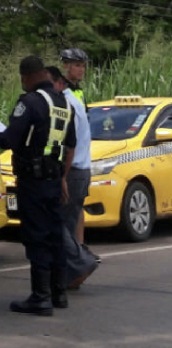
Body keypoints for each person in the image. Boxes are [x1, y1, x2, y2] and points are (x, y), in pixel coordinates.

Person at [0, 55, 76, 316]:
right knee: (55, 234)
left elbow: (9, 139)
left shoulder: (30, 102)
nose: (22, 83)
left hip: (32, 181)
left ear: (30, 76)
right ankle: (58, 294)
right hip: (54, 179)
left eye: (22, 78)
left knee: (36, 236)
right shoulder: (64, 104)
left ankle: (40, 298)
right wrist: (63, 178)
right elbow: (70, 145)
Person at [46, 66, 98, 290]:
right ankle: (69, 276)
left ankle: (81, 264)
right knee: (66, 223)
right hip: (79, 171)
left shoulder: (67, 105)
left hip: (73, 171)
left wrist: (62, 177)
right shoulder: (70, 103)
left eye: (48, 85)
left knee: (59, 225)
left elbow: (70, 145)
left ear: (59, 83)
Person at [60, 47, 100, 263]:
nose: (81, 70)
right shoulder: (62, 93)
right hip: (73, 164)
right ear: (65, 66)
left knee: (76, 210)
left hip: (81, 163)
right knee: (69, 214)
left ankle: (80, 253)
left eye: (83, 65)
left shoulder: (78, 92)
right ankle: (76, 259)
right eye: (76, 65)